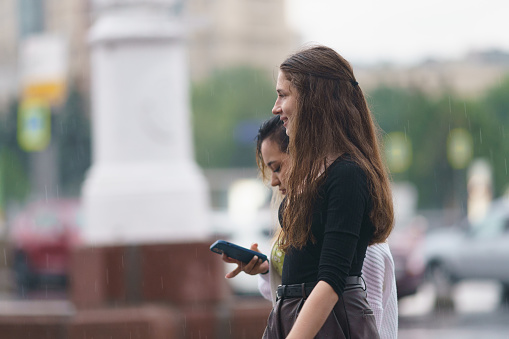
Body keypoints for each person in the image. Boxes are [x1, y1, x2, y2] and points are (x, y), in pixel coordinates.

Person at [223, 116, 398, 338]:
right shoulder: (303, 219)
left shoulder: (344, 209)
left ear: (300, 154)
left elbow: (367, 313)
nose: (274, 181)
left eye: (277, 167)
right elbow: (291, 291)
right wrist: (266, 269)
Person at [267, 45, 394, 338]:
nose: (276, 108)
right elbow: (308, 260)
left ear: (313, 99)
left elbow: (331, 280)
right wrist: (265, 267)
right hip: (299, 318)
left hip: (327, 324)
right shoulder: (312, 170)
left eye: (283, 95)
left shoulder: (348, 173)